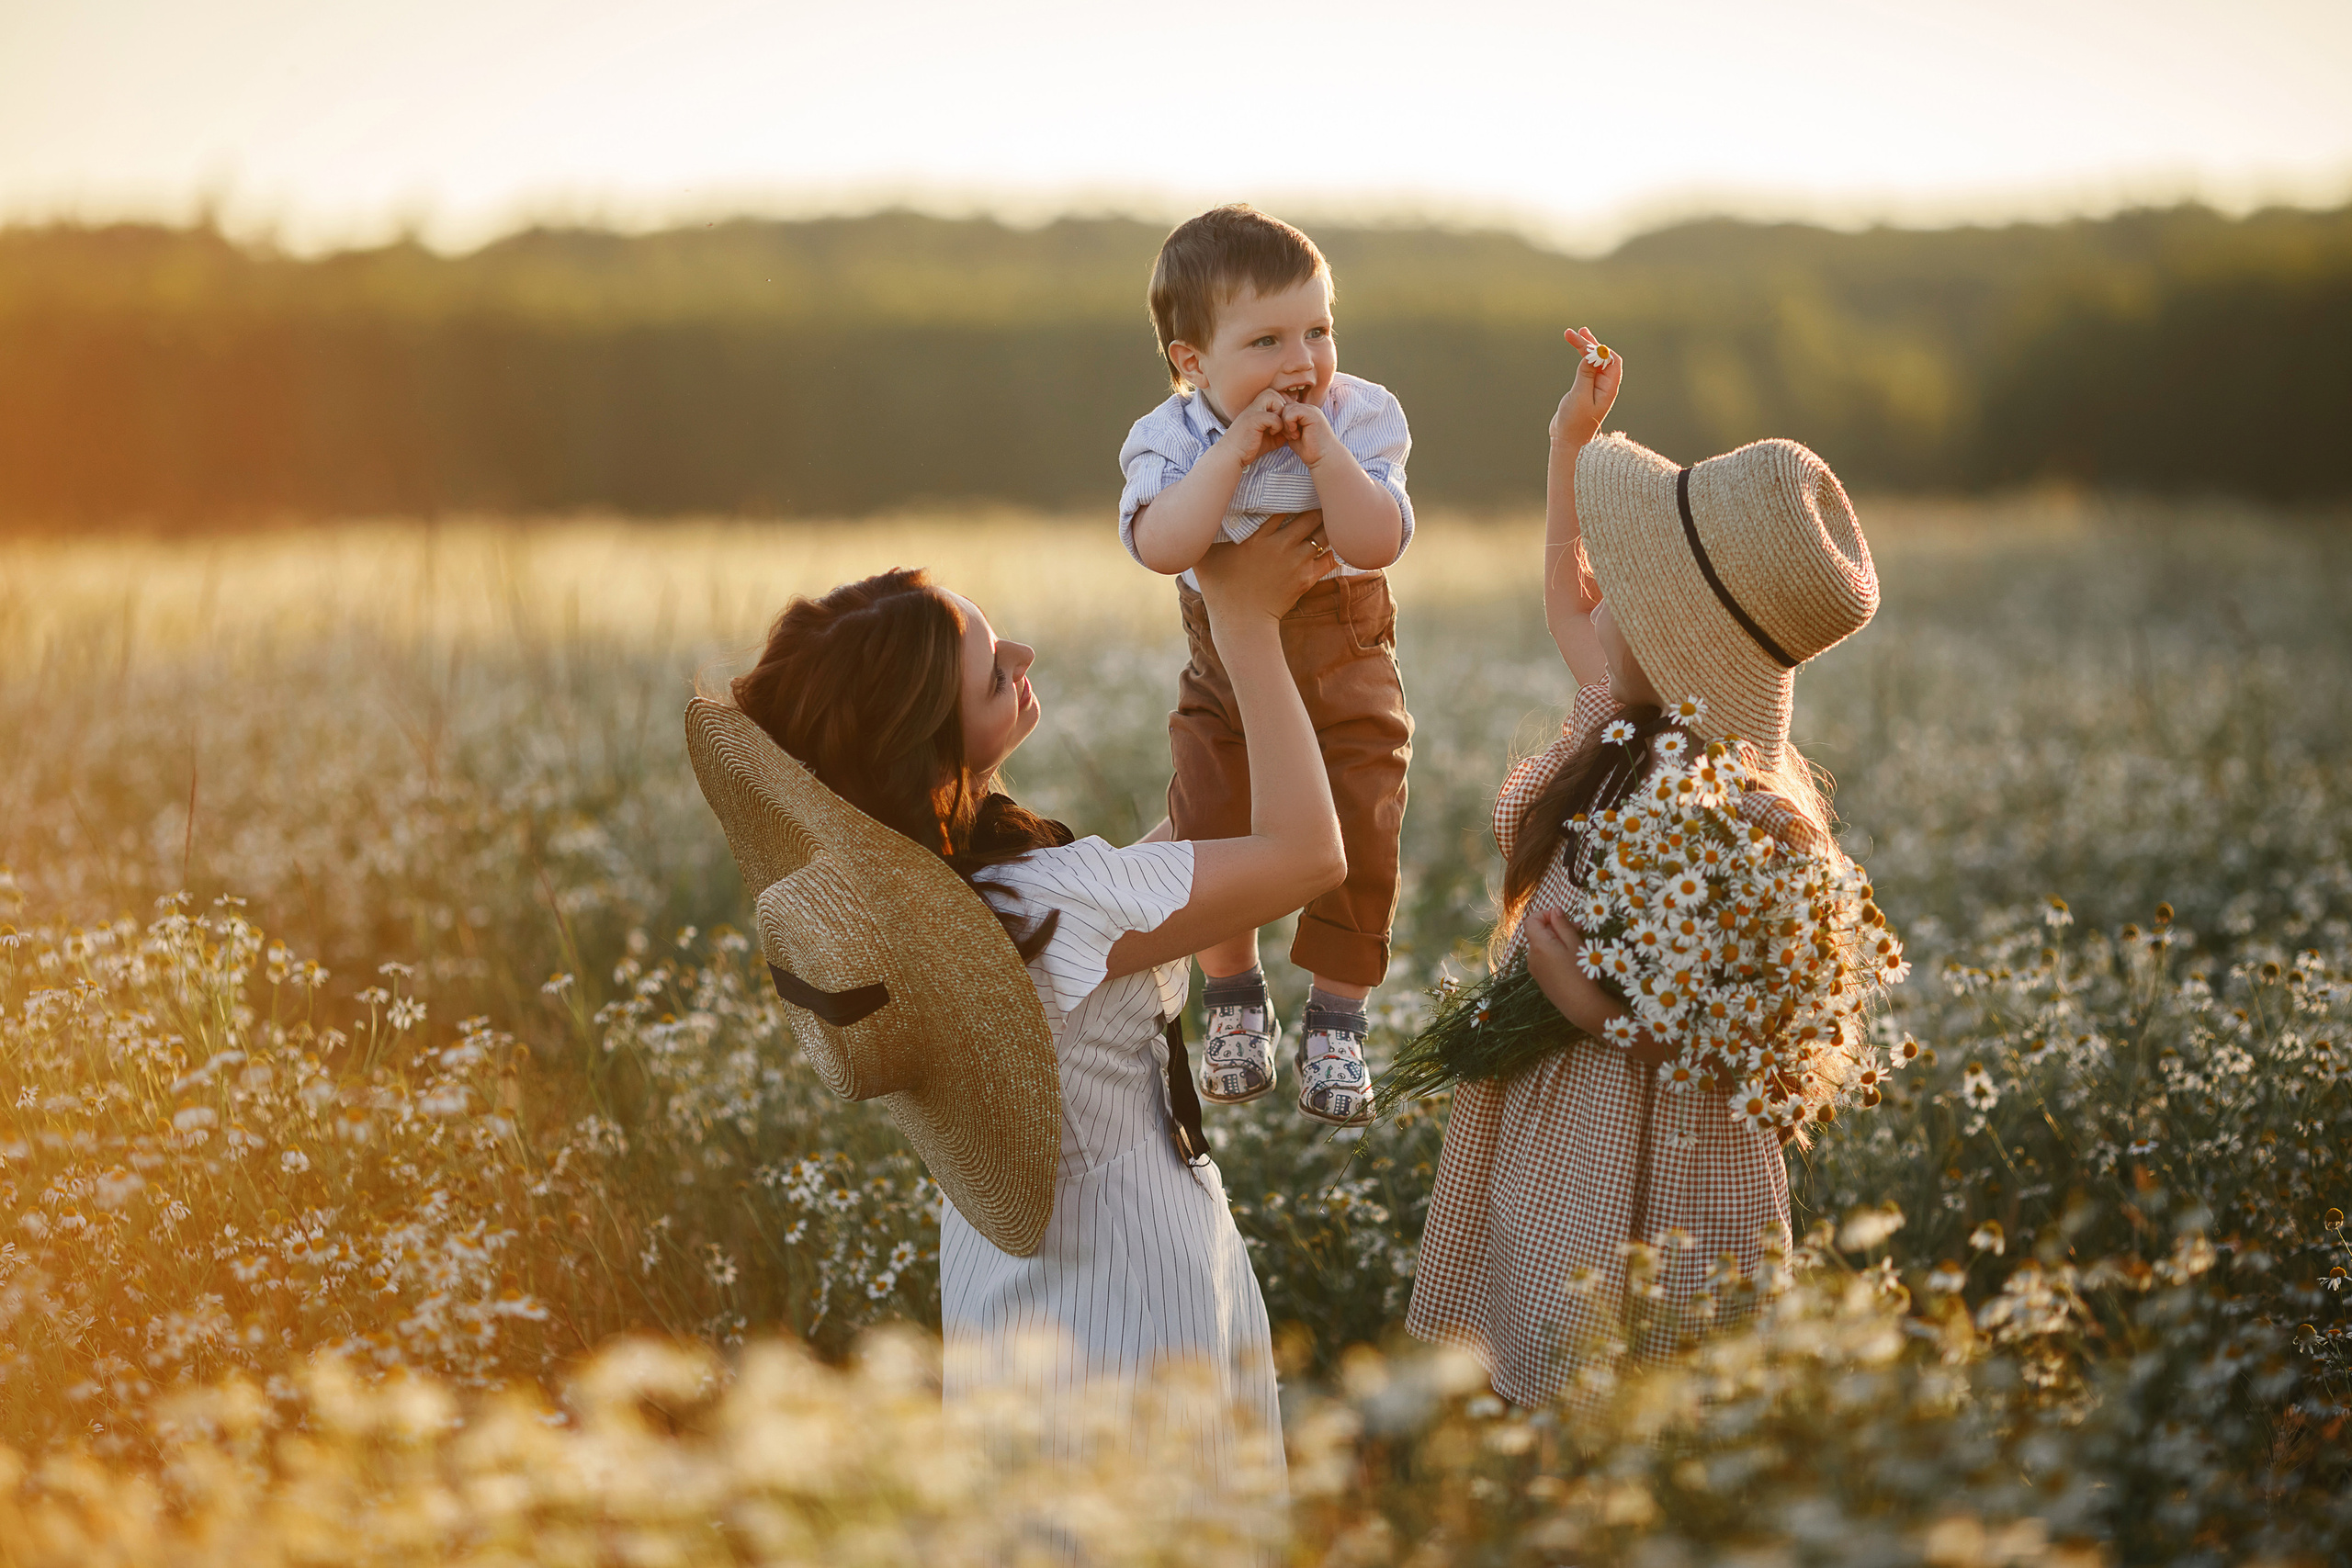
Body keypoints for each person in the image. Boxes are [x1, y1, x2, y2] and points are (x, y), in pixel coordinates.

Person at [694, 515, 1343, 1544]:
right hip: (1134, 1292)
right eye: (995, 671)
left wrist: (1227, 649)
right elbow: (1308, 856)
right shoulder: (1048, 902)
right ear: (929, 746)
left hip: (1008, 1289)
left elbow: (1185, 860)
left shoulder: (943, 912)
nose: (1024, 659)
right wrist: (1247, 628)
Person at [1406, 328, 1883, 1411]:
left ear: (1674, 638)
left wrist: (1590, 1011)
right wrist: (1568, 444)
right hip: (1553, 1133)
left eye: (1623, 583)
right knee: (1531, 1404)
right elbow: (1566, 602)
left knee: (1637, 1413)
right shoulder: (1618, 728)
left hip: (1658, 1166)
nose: (1593, 589)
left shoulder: (1756, 825)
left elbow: (1751, 1042)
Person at [1116, 203, 1416, 1129]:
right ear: (1191, 364)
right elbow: (1163, 546)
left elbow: (1378, 538)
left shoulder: (1360, 417)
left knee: (1363, 815)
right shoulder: (1169, 439)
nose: (1301, 362)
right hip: (1226, 667)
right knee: (1210, 813)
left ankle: (1336, 1018)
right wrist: (1234, 455)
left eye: (1318, 330)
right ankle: (1234, 994)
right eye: (1267, 341)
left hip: (1344, 649)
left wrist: (1326, 459)